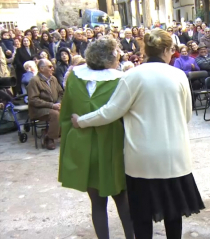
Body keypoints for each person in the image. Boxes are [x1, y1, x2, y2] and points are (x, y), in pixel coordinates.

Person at [71, 29, 204, 238]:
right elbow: (186, 115)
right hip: (175, 155)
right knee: (173, 213)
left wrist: (82, 121)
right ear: (167, 50)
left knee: (141, 216)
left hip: (142, 158)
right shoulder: (179, 75)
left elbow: (111, 111)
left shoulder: (132, 76)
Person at [58, 36, 134, 239]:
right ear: (110, 57)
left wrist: (68, 147)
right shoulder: (121, 79)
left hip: (84, 148)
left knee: (97, 204)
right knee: (123, 200)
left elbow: (66, 114)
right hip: (114, 147)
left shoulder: (74, 77)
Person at [27, 59, 63, 150]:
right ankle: (49, 138)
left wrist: (59, 103)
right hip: (38, 109)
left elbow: (61, 93)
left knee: (66, 110)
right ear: (42, 68)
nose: (52, 68)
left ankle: (51, 133)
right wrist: (51, 105)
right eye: (50, 66)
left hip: (54, 106)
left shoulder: (53, 79)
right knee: (55, 114)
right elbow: (33, 100)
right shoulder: (34, 81)